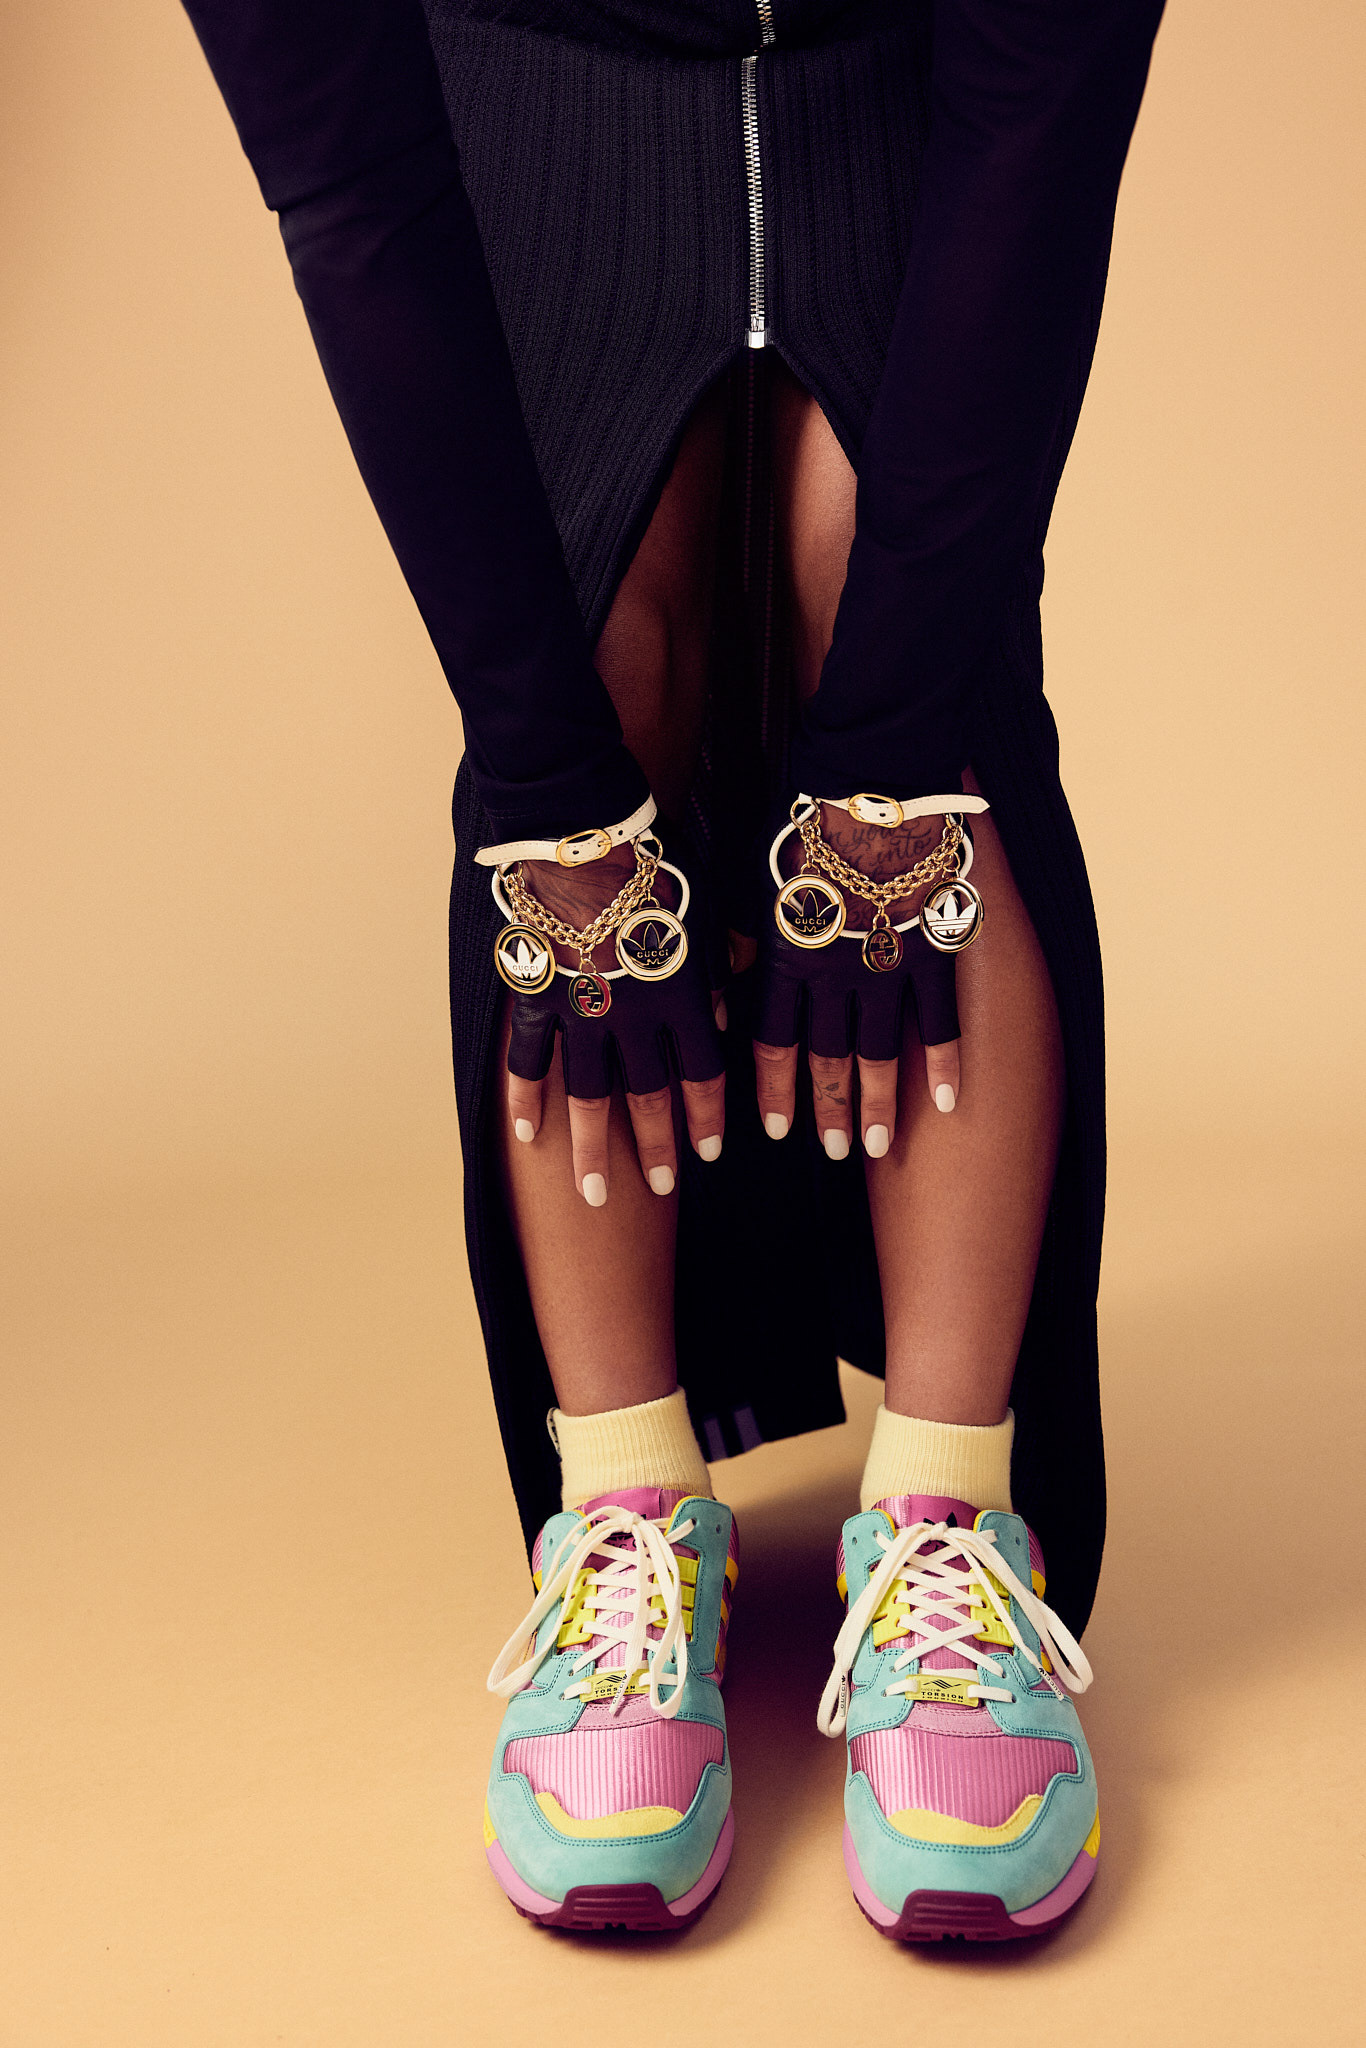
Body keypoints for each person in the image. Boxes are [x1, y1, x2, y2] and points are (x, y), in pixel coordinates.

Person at [182, 0, 1164, 1940]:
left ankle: (949, 1514)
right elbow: (346, 176)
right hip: (532, 61)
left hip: (914, 59)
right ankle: (624, 1506)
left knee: (907, 629)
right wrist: (549, 791)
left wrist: (883, 762)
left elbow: (1046, 99)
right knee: (586, 652)